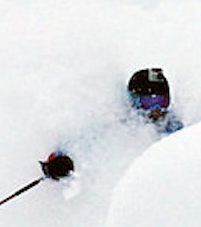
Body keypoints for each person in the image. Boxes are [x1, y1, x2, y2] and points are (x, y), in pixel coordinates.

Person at [41, 67, 182, 183]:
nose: (156, 109)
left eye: (162, 101)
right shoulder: (116, 122)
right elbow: (79, 141)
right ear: (134, 101)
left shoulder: (173, 127)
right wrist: (58, 162)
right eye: (148, 102)